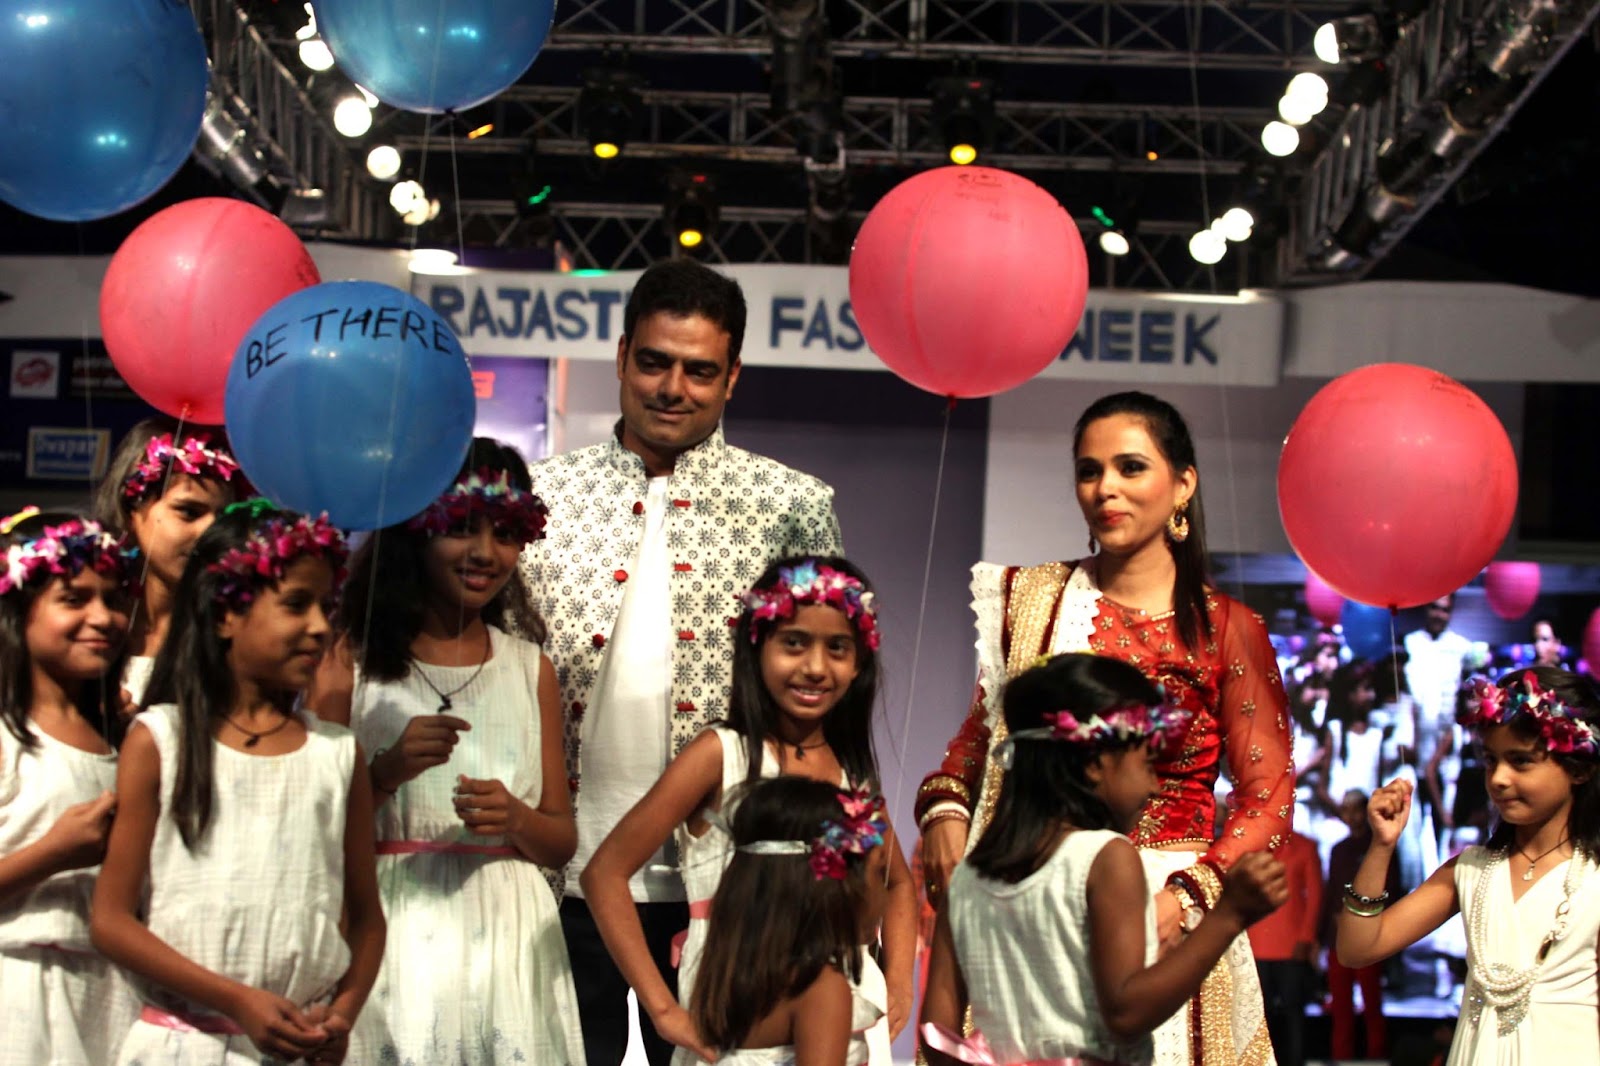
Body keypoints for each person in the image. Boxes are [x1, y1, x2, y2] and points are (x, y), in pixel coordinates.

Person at [519, 258, 844, 1065]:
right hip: (557, 872)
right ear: (621, 356)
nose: (673, 388)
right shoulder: (539, 496)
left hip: (728, 883)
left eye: (699, 370)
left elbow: (823, 695)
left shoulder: (791, 504)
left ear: (732, 377)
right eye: (654, 362)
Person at [915, 391, 1293, 1065]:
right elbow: (979, 743)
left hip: (1174, 906)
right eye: (1089, 471)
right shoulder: (1031, 600)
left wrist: (1189, 899)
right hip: (1040, 893)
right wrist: (946, 813)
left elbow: (1269, 797)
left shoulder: (1227, 629)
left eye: (1130, 467)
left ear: (1183, 485)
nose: (1104, 488)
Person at [311, 440, 585, 1063]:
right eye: (462, 528)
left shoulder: (529, 668)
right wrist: (385, 774)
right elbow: (312, 827)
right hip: (391, 928)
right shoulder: (348, 660)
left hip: (508, 943)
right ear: (417, 528)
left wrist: (516, 819)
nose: (486, 553)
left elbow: (561, 841)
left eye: (506, 533)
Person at [581, 557, 912, 1064]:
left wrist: (900, 983)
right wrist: (663, 1010)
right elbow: (604, 872)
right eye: (794, 643)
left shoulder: (852, 771)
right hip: (738, 999)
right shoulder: (721, 754)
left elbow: (897, 881)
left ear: (860, 661)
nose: (816, 667)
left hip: (845, 1001)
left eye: (837, 648)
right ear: (757, 647)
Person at [91, 501, 386, 1064]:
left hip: (299, 1044)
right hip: (186, 1043)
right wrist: (236, 1000)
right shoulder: (161, 740)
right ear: (225, 614)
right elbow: (110, 920)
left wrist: (343, 1013)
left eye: (326, 607)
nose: (320, 627)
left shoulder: (336, 753)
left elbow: (367, 919)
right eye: (296, 604)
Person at [920, 654, 1287, 1065]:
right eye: (1147, 764)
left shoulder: (968, 880)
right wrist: (1229, 916)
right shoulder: (1105, 858)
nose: (1153, 787)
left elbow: (937, 1036)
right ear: (1095, 764)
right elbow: (1126, 1011)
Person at [1335, 667, 1600, 1064]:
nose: (1499, 778)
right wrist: (1382, 846)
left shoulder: (1593, 880)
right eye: (1491, 760)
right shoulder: (1472, 871)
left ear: (1579, 768)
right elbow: (1357, 948)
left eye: (1520, 761)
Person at [0, 509, 140, 1065]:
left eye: (113, 599)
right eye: (74, 599)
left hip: (113, 993)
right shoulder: (8, 733)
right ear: (18, 613)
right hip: (22, 990)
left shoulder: (124, 738)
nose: (102, 617)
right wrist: (52, 852)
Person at [686, 777, 892, 1065]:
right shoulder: (820, 991)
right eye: (879, 873)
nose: (886, 895)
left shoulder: (729, 975)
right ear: (834, 886)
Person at [93, 418, 243, 708]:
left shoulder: (234, 635)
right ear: (130, 509)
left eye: (223, 517)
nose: (209, 532)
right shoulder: (84, 624)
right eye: (189, 511)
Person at [1323, 789, 1397, 1062]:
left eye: (1355, 809)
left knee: (1371, 1004)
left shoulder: (1381, 848)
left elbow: (1392, 890)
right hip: (1338, 938)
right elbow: (1331, 893)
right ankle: (1341, 1058)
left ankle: (1376, 1058)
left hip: (1370, 937)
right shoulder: (1338, 850)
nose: (1351, 815)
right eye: (1346, 809)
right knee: (1340, 1007)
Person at [1247, 824, 1321, 1066]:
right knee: (1258, 1015)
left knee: (1293, 1012)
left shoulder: (1304, 847)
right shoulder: (1250, 848)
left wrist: (1306, 938)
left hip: (1291, 945)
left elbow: (1315, 895)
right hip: (1256, 944)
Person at [1404, 595, 1470, 847]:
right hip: (1415, 744)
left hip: (1447, 748)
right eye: (1434, 608)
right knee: (1415, 829)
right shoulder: (1411, 642)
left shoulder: (1460, 646)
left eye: (1445, 610)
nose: (1439, 615)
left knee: (1445, 827)